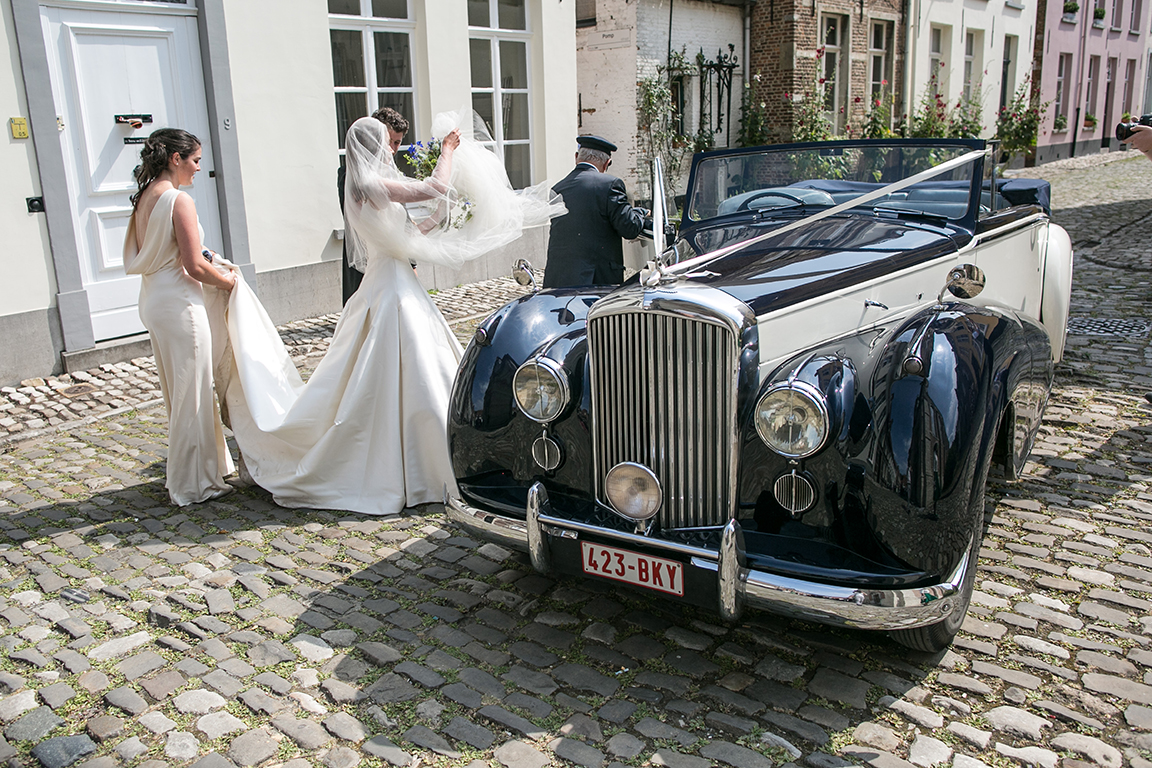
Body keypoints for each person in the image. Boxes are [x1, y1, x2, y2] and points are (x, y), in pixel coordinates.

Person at [215, 111, 565, 516]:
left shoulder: (371, 188)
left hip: (394, 279)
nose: (391, 149)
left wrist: (444, 219)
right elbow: (435, 186)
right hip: (391, 287)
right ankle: (426, 464)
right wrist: (448, 151)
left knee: (406, 364)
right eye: (386, 142)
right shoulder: (368, 184)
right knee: (406, 363)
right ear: (372, 146)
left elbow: (407, 235)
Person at [123, 128, 237, 506]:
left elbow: (170, 252)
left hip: (154, 300)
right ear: (176, 159)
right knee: (195, 392)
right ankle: (192, 482)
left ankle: (199, 468)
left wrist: (205, 256)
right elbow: (191, 266)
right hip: (181, 306)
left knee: (179, 391)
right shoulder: (177, 199)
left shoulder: (145, 197)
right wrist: (226, 282)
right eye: (195, 160)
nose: (198, 168)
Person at [542, 135, 650, 288]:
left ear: (576, 157)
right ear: (607, 163)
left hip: (560, 279)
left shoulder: (558, 188)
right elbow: (629, 227)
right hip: (595, 281)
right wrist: (640, 213)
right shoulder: (610, 185)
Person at [338, 107, 410, 304]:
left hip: (394, 260)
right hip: (368, 261)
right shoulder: (350, 176)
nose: (393, 149)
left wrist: (411, 262)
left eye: (398, 143)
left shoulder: (390, 172)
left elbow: (403, 217)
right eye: (389, 142)